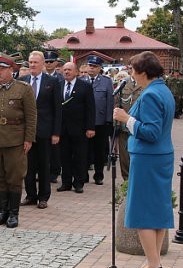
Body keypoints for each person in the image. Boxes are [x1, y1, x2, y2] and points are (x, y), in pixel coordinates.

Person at [112, 51, 175, 268]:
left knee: (142, 214)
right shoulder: (162, 89)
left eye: (132, 69)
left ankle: (154, 265)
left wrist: (125, 118)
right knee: (157, 214)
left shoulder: (150, 95)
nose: (130, 74)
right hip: (160, 156)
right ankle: (152, 262)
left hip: (148, 157)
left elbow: (151, 132)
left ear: (143, 72)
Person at [0, 53, 36, 228]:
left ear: (11, 69)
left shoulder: (24, 89)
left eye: (2, 69)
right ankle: (2, 211)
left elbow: (31, 116)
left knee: (14, 177)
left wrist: (28, 139)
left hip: (15, 139)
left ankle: (13, 213)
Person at [19, 51, 62, 209]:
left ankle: (43, 197)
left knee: (44, 165)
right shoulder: (22, 81)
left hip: (45, 131)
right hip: (26, 132)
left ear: (43, 64)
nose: (32, 65)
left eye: (36, 62)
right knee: (28, 166)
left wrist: (56, 132)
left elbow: (57, 109)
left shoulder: (52, 82)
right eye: (30, 62)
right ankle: (30, 195)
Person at [57, 62, 95, 194]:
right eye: (65, 70)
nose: (66, 72)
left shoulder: (85, 86)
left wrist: (90, 127)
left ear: (76, 72)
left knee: (79, 156)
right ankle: (66, 182)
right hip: (62, 128)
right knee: (64, 156)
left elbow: (91, 108)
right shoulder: (59, 84)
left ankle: (79, 183)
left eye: (69, 70)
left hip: (79, 128)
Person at [87, 57, 115, 185]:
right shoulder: (82, 80)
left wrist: (109, 120)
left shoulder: (106, 81)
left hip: (100, 121)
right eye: (90, 65)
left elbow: (110, 101)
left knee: (99, 150)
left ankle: (98, 175)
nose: (91, 68)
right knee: (84, 149)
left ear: (99, 68)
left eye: (94, 66)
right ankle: (83, 174)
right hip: (85, 121)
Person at [115, 68, 141, 180]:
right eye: (130, 68)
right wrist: (116, 123)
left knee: (137, 156)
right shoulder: (123, 83)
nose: (132, 70)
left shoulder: (145, 83)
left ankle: (137, 180)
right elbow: (116, 103)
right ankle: (126, 180)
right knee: (124, 156)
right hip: (124, 126)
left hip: (139, 126)